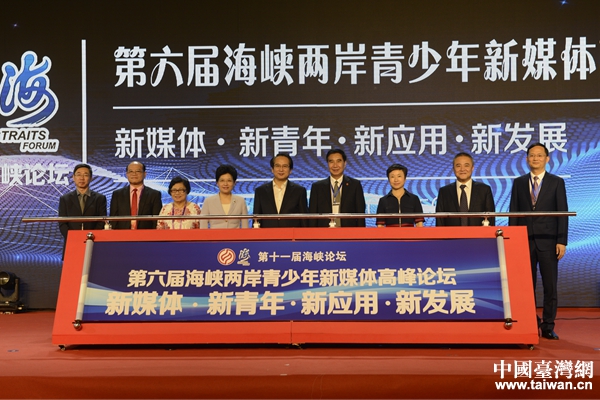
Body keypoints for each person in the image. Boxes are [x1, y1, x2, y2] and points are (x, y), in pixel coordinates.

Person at [509, 143, 568, 340]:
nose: (535, 158)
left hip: (549, 242)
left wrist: (561, 240)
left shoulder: (556, 182)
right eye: (532, 155)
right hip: (524, 241)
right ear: (527, 159)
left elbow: (562, 213)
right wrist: (513, 240)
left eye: (539, 155)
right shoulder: (518, 183)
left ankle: (548, 325)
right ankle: (531, 322)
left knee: (550, 286)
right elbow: (514, 213)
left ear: (547, 159)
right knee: (527, 286)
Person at [58, 163, 107, 257]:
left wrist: (91, 237)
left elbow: (101, 221)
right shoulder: (65, 199)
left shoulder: (100, 198)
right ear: (73, 177)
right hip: (72, 243)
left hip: (93, 243)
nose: (81, 178)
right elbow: (62, 223)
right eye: (78, 174)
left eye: (85, 175)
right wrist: (74, 238)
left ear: (91, 178)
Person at [308, 148, 366, 227]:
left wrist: (361, 232)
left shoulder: (355, 185)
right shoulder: (317, 187)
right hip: (324, 231)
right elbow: (313, 215)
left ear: (344, 163)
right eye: (331, 161)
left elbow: (360, 214)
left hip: (348, 231)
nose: (335, 165)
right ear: (327, 164)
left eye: (338, 161)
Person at [435, 152, 495, 226]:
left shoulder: (484, 190)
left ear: (472, 168)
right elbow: (440, 220)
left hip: (478, 233)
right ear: (453, 169)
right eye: (458, 166)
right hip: (451, 233)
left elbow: (491, 219)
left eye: (466, 165)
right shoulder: (444, 192)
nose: (462, 169)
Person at [253, 153, 308, 228]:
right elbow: (256, 219)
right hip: (267, 233)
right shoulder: (260, 191)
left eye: (285, 166)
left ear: (290, 170)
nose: (281, 169)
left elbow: (304, 219)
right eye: (277, 166)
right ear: (272, 169)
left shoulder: (299, 191)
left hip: (291, 233)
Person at [109, 161, 163, 229]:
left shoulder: (154, 195)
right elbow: (113, 219)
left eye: (138, 171)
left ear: (144, 174)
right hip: (123, 234)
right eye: (131, 171)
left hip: (146, 234)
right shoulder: (117, 194)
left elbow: (156, 220)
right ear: (127, 174)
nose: (134, 174)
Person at [200, 164, 249, 229]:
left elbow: (245, 226)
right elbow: (203, 225)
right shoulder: (208, 201)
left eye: (229, 180)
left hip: (235, 235)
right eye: (222, 180)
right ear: (217, 183)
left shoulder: (241, 201)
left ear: (234, 183)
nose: (225, 184)